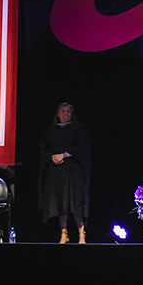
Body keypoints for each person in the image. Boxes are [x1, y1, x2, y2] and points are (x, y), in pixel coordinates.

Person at [39, 102, 91, 244]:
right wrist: (52, 157)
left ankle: (81, 233)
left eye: (68, 111)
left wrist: (64, 155)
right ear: (58, 114)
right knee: (60, 202)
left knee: (75, 202)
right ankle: (64, 233)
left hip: (73, 171)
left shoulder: (79, 129)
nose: (65, 114)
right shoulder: (50, 131)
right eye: (63, 111)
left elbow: (81, 146)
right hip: (56, 171)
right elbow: (44, 149)